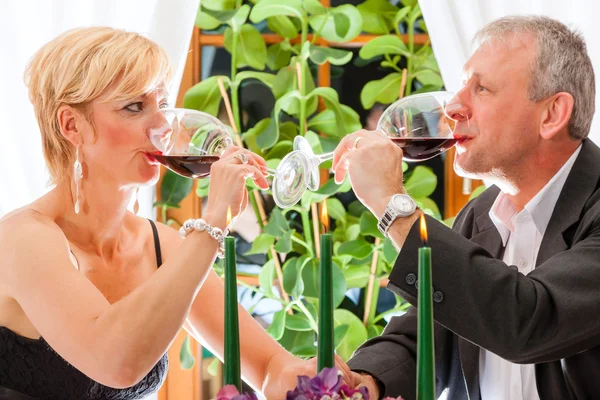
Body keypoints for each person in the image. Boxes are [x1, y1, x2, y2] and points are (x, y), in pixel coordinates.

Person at [0, 27, 351, 400]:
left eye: (163, 104)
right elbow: (114, 362)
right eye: (134, 106)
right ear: (72, 125)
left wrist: (315, 376)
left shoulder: (160, 245)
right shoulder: (23, 239)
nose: (165, 126)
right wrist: (212, 223)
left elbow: (267, 368)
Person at [329, 15, 599, 400]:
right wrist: (367, 380)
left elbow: (530, 319)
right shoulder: (481, 213)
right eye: (462, 86)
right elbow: (427, 333)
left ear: (552, 114)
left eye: (482, 88)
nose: (454, 106)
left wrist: (393, 207)